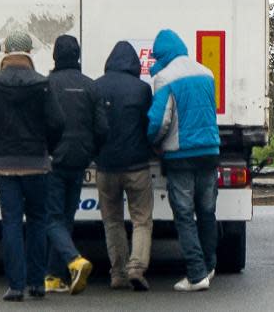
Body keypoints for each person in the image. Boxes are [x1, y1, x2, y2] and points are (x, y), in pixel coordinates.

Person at [0, 31, 65, 301]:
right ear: (29, 53)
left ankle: (15, 285)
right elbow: (57, 122)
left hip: (5, 164)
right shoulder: (42, 83)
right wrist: (48, 147)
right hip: (36, 162)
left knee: (11, 222)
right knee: (37, 221)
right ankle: (37, 283)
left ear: (6, 53)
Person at [147, 29, 220, 292]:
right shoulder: (206, 72)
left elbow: (160, 120)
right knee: (207, 212)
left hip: (181, 155)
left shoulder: (165, 78)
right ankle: (209, 267)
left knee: (185, 215)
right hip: (210, 151)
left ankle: (196, 274)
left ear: (163, 54)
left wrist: (153, 143)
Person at [45, 35, 108, 295]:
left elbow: (42, 123)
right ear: (78, 56)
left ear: (55, 56)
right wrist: (90, 151)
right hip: (79, 161)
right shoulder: (91, 87)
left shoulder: (47, 85)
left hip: (53, 161)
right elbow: (102, 128)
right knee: (66, 218)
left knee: (51, 218)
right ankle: (54, 276)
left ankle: (73, 260)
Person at [94, 41, 154, 291]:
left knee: (113, 221)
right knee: (141, 219)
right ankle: (136, 268)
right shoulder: (142, 90)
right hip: (137, 166)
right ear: (134, 65)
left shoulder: (96, 86)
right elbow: (149, 124)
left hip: (106, 166)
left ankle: (117, 274)